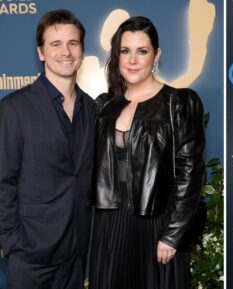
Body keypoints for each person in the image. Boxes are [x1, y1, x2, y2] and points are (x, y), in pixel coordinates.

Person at [89, 16, 205, 289]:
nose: (132, 60)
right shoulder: (104, 106)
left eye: (142, 51)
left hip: (157, 222)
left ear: (156, 55)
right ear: (116, 56)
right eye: (125, 51)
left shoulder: (178, 102)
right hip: (111, 221)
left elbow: (190, 173)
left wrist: (172, 235)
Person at [0, 9, 95, 289]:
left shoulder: (91, 108)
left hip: (76, 253)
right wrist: (12, 242)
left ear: (81, 51)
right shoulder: (14, 109)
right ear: (41, 53)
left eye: (73, 43)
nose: (65, 51)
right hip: (30, 255)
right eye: (55, 44)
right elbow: (3, 180)